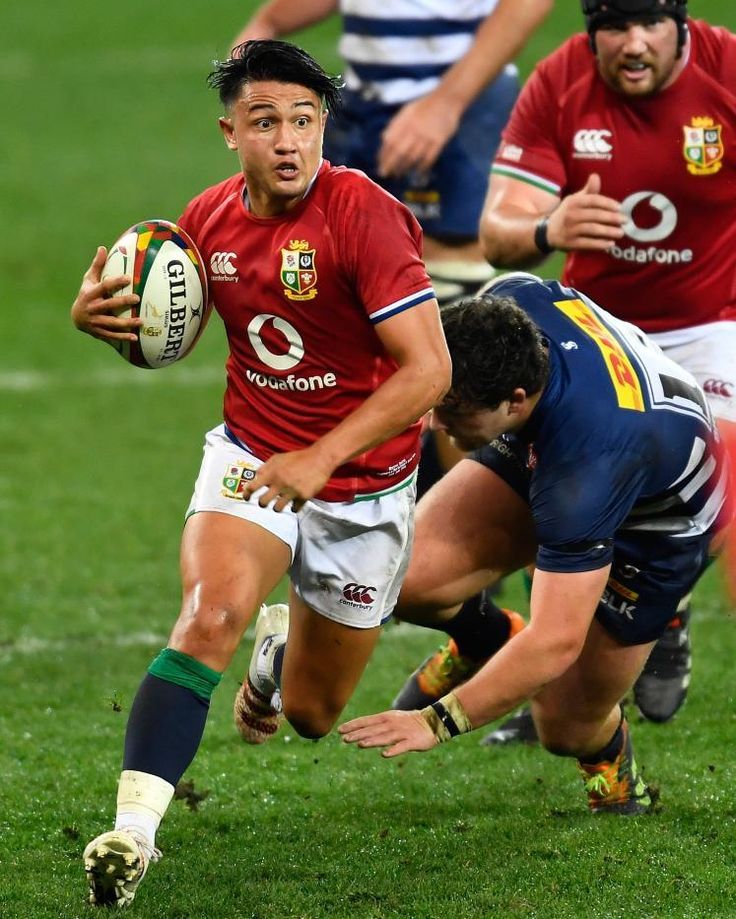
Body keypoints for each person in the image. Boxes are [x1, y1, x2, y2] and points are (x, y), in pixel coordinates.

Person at [71, 40, 450, 908]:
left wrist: (324, 455)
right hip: (254, 456)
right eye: (266, 122)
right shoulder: (204, 221)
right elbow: (166, 329)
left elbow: (428, 373)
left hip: (364, 485)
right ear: (230, 132)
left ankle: (274, 662)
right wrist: (101, 319)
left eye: (305, 121)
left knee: (314, 715)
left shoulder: (366, 215)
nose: (288, 140)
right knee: (208, 615)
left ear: (325, 127)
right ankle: (132, 834)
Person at [393, 0, 736, 737]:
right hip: (591, 327)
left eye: (651, 23)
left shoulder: (728, 72)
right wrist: (548, 228)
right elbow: (497, 231)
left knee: (719, 478)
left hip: (710, 327)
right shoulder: (560, 82)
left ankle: (660, 606)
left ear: (682, 23)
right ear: (590, 30)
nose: (633, 42)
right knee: (544, 478)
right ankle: (509, 640)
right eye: (614, 25)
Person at [339, 272, 730, 816]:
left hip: (657, 524)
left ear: (515, 399)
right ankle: (487, 641)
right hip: (572, 438)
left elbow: (554, 643)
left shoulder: (582, 474)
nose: (432, 422)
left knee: (565, 725)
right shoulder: (511, 299)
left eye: (452, 411)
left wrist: (438, 721)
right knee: (404, 575)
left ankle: (615, 773)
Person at [233, 0, 553, 305]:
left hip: (457, 103)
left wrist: (446, 104)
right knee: (334, 277)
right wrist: (267, 24)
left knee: (444, 285)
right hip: (362, 103)